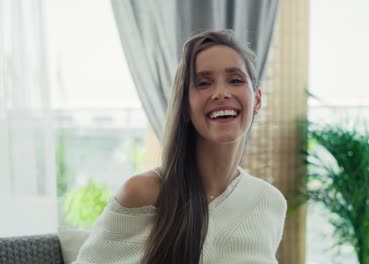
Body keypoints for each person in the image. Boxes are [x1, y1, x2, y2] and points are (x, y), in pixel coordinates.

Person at [73, 29, 287, 264]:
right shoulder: (142, 193)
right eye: (204, 83)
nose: (221, 93)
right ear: (185, 105)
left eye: (235, 80)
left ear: (256, 100)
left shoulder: (270, 201)